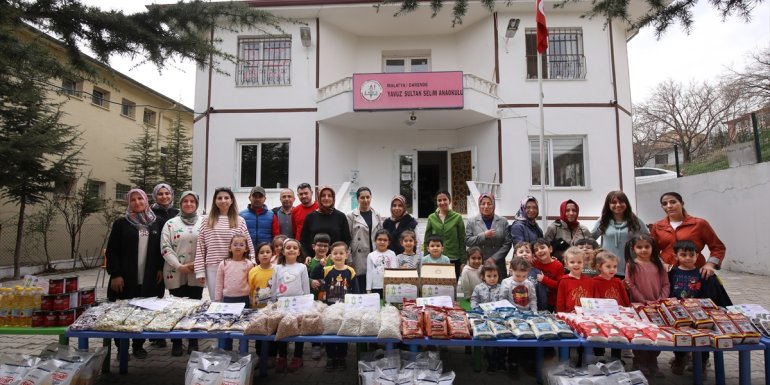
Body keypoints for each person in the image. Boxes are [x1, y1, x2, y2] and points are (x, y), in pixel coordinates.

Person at [105, 189, 163, 359]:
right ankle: (121, 347)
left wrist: (160, 268)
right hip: (125, 277)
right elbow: (112, 251)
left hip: (149, 277)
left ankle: (138, 346)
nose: (137, 202)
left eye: (140, 199)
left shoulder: (156, 222)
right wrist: (115, 274)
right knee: (121, 314)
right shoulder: (121, 223)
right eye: (133, 199)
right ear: (128, 202)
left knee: (143, 312)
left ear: (146, 200)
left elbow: (161, 248)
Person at [668, 239, 732, 375]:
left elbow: (712, 296)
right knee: (679, 336)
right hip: (678, 313)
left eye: (691, 255)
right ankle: (680, 358)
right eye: (683, 255)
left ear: (697, 255)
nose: (688, 258)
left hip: (700, 315)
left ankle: (702, 363)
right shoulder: (671, 273)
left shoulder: (704, 274)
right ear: (675, 256)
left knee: (703, 338)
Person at [160, 190, 205, 356]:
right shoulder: (171, 223)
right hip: (175, 271)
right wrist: (179, 266)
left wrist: (198, 264)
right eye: (185, 201)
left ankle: (193, 339)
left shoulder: (204, 222)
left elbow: (208, 245)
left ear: (196, 204)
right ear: (180, 204)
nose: (189, 204)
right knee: (176, 307)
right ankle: (176, 341)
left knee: (195, 306)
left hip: (196, 271)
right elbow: (165, 247)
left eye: (192, 201)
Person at [194, 187, 254, 300]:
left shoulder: (239, 220)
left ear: (231, 200)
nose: (223, 200)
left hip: (235, 266)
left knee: (233, 299)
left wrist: (252, 262)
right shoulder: (206, 220)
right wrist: (200, 271)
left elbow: (248, 244)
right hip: (213, 266)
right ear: (215, 201)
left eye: (226, 198)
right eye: (219, 198)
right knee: (216, 300)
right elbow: (201, 246)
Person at [624, 234, 669, 378]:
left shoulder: (658, 264)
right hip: (639, 307)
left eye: (647, 247)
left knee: (657, 334)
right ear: (633, 248)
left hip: (657, 307)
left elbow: (666, 284)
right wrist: (644, 301)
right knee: (641, 334)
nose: (643, 250)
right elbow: (631, 285)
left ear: (652, 248)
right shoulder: (631, 265)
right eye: (639, 247)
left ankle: (652, 361)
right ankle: (640, 361)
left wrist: (661, 300)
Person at [651, 192, 726, 278]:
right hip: (668, 273)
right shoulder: (657, 226)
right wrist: (661, 264)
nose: (669, 206)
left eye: (673, 202)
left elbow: (718, 247)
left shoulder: (699, 224)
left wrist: (710, 264)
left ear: (682, 203)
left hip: (696, 272)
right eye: (665, 204)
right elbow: (653, 251)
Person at [310, 242, 359, 372]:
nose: (338, 256)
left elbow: (356, 289)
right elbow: (314, 275)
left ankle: (342, 357)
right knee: (330, 332)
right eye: (335, 253)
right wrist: (321, 264)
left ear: (346, 255)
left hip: (345, 308)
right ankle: (331, 357)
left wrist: (356, 304)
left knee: (342, 333)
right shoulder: (327, 270)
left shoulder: (350, 271)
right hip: (329, 307)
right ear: (331, 256)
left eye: (341, 253)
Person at [270, 238, 311, 373]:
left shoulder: (302, 267)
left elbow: (306, 287)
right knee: (283, 329)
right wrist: (273, 301)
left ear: (299, 252)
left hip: (298, 304)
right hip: (282, 303)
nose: (291, 250)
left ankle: (298, 356)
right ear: (283, 251)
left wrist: (307, 302)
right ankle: (282, 357)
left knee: (299, 329)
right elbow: (274, 286)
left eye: (294, 248)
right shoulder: (278, 268)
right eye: (288, 248)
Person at [591, 191, 648, 279]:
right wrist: (598, 252)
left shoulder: (635, 221)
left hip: (629, 268)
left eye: (621, 202)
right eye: (614, 202)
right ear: (608, 205)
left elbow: (648, 239)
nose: (618, 205)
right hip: (606, 268)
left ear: (626, 203)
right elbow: (590, 239)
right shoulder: (603, 221)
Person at [591, 250, 629, 363]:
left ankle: (616, 357)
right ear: (599, 267)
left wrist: (627, 309)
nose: (612, 269)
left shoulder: (617, 281)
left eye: (615, 266)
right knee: (599, 334)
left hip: (617, 315)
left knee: (617, 335)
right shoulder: (594, 282)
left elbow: (624, 297)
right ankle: (599, 356)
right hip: (601, 315)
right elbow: (594, 299)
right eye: (608, 266)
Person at [465, 193, 512, 278]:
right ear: (479, 205)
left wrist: (493, 259)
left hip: (498, 264)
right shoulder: (472, 221)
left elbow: (507, 244)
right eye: (483, 203)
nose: (486, 206)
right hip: (478, 264)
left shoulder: (503, 221)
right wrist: (484, 236)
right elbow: (468, 241)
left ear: (493, 205)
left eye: (489, 203)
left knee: (499, 289)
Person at [470, 263, 506, 372]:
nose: (492, 279)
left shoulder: (501, 288)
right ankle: (491, 361)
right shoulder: (478, 287)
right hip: (483, 318)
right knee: (488, 340)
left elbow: (504, 302)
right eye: (489, 276)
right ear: (483, 277)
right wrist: (476, 309)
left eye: (495, 276)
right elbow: (474, 300)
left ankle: (502, 360)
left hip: (498, 319)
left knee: (502, 339)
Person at [300, 185, 352, 258]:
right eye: (323, 196)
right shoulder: (310, 217)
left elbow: (346, 240)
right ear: (319, 198)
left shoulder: (341, 216)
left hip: (336, 260)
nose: (326, 198)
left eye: (330, 196)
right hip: (314, 261)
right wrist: (307, 256)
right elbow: (304, 241)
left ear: (333, 198)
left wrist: (339, 254)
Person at [348, 187, 383, 292]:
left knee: (375, 286)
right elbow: (348, 239)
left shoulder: (377, 215)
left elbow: (381, 236)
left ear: (371, 198)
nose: (365, 200)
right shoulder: (351, 216)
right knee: (361, 287)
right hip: (359, 256)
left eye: (368, 197)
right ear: (357, 199)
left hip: (375, 254)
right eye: (362, 197)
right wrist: (349, 259)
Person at [423, 190, 465, 277]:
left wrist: (463, 261)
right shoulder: (431, 218)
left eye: (445, 199)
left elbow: (462, 239)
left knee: (452, 287)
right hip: (435, 259)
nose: (442, 202)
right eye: (439, 200)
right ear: (436, 202)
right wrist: (426, 258)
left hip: (454, 258)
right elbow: (427, 239)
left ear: (450, 200)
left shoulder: (457, 217)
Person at [248, 242, 276, 369]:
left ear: (272, 254)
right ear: (257, 255)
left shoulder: (277, 270)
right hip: (258, 309)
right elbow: (251, 289)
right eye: (261, 252)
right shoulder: (253, 271)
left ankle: (272, 356)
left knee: (272, 333)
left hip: (274, 309)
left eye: (267, 252)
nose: (265, 255)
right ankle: (260, 356)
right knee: (259, 334)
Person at [214, 235, 255, 307]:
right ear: (230, 248)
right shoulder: (223, 264)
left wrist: (252, 299)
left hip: (244, 298)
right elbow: (219, 284)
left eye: (241, 245)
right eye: (235, 244)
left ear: (246, 249)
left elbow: (251, 283)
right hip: (227, 298)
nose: (238, 247)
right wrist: (217, 299)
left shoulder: (249, 264)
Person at [556, 247, 594, 313]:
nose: (576, 264)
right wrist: (561, 314)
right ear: (566, 264)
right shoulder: (564, 281)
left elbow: (592, 300)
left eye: (579, 262)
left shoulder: (590, 281)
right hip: (569, 315)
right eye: (572, 262)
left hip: (586, 315)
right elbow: (560, 301)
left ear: (584, 263)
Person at [513, 241, 548, 311]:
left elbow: (542, 295)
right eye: (521, 252)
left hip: (533, 311)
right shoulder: (512, 273)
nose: (524, 254)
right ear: (515, 256)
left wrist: (542, 311)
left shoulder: (537, 273)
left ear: (532, 255)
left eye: (527, 252)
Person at [532, 238, 563, 312]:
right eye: (536, 250)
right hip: (537, 300)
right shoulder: (534, 263)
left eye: (542, 247)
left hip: (551, 302)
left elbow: (559, 285)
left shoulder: (558, 265)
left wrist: (544, 279)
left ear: (550, 249)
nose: (539, 251)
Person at [365, 229, 397, 297]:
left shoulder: (392, 254)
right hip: (375, 287)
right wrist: (368, 289)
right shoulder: (371, 255)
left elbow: (394, 270)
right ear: (375, 241)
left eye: (385, 240)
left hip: (389, 286)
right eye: (379, 239)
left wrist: (394, 284)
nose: (382, 242)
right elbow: (369, 273)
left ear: (389, 242)